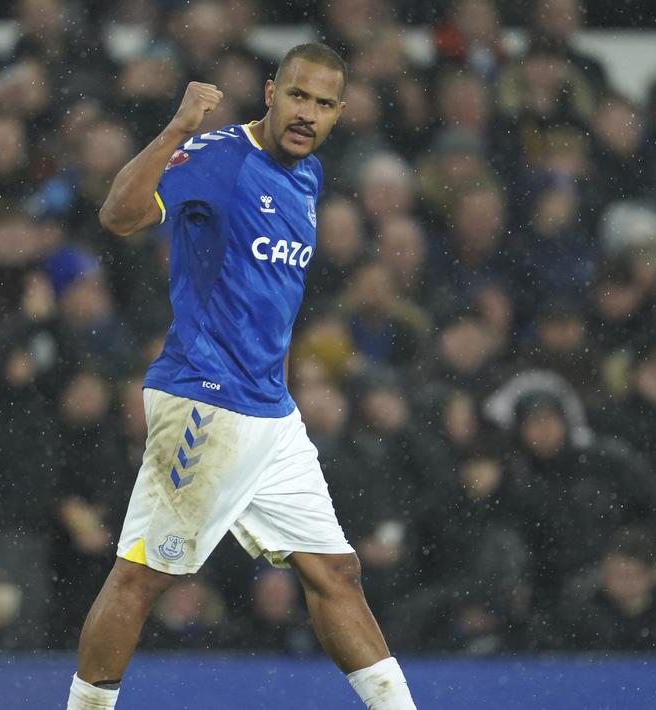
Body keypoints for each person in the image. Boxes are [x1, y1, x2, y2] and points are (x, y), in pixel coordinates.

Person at [67, 43, 417, 710]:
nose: (306, 113)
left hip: (270, 413)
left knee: (335, 573)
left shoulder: (307, 176)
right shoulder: (217, 157)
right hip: (205, 401)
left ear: (338, 114)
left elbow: (270, 304)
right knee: (141, 576)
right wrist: (176, 129)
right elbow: (116, 217)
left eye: (322, 103)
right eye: (297, 96)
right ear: (269, 92)